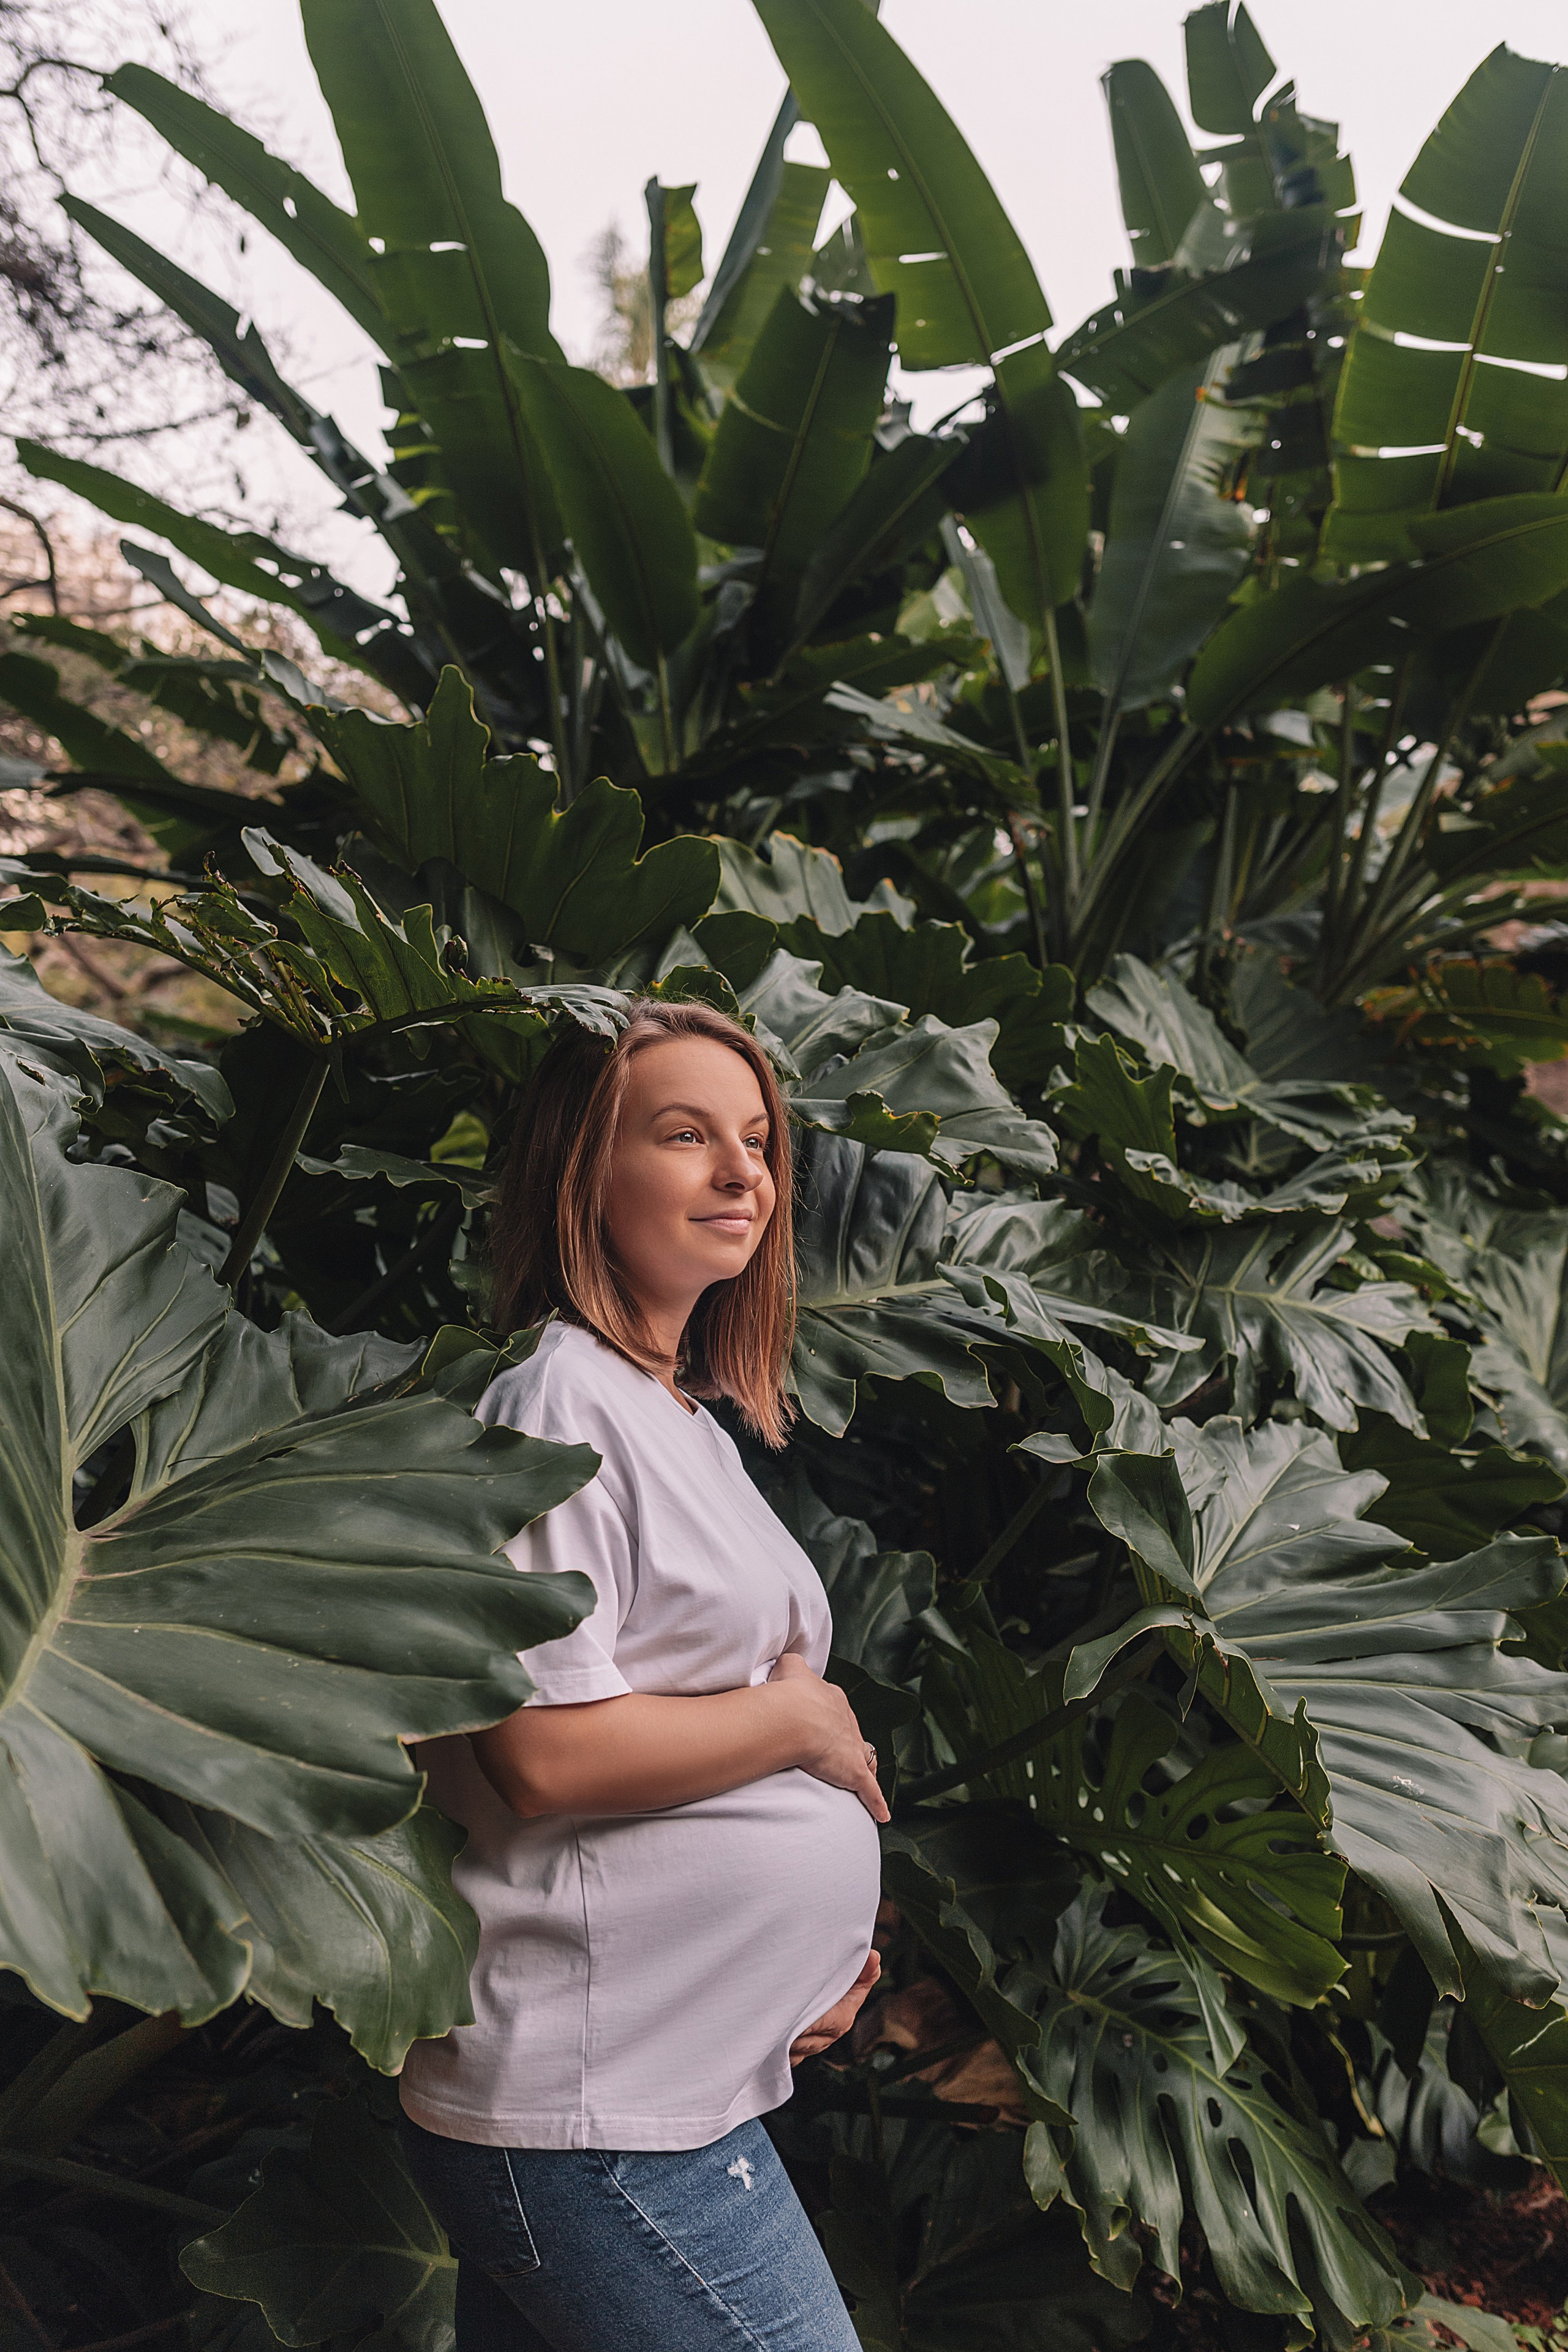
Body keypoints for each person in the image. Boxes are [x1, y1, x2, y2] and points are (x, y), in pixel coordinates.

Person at [399, 999, 886, 2351]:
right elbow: (543, 1758)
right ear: (581, 1173)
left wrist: (803, 1963)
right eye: (685, 1136)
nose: (744, 1174)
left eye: (756, 1140)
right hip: (588, 2109)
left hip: (662, 2079)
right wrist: (793, 1719)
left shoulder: (673, 1414)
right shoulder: (553, 1401)